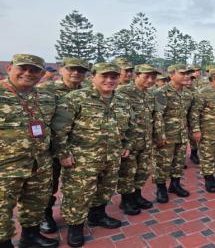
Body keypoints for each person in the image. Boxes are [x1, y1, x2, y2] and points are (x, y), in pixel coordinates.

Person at [51, 62, 135, 247]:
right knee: (78, 194)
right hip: (82, 159)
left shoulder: (121, 100)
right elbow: (59, 130)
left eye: (113, 77)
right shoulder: (76, 98)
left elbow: (130, 126)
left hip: (111, 157)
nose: (109, 80)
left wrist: (127, 144)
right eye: (104, 76)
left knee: (105, 188)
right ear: (93, 77)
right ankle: (75, 227)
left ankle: (98, 215)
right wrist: (63, 153)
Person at [0, 54, 59, 248]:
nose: (28, 73)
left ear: (42, 74)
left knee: (36, 203)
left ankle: (30, 237)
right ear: (10, 68)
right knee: (2, 210)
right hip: (6, 167)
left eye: (34, 70)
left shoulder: (47, 97)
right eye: (23, 68)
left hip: (40, 163)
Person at [37, 57, 90, 234]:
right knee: (48, 184)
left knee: (76, 184)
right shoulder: (45, 90)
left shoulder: (87, 91)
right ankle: (46, 215)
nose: (76, 73)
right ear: (61, 69)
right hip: (50, 147)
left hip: (76, 147)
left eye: (81, 70)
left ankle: (74, 214)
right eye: (71, 69)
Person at [117, 64, 160, 215]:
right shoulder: (123, 92)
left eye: (153, 77)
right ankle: (126, 200)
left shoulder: (150, 94)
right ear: (137, 76)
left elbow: (153, 117)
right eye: (146, 76)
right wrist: (123, 142)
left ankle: (137, 195)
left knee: (142, 170)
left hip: (146, 140)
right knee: (128, 172)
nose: (150, 80)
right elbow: (118, 118)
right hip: (130, 141)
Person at [153, 64, 192, 203]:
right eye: (183, 73)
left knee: (179, 162)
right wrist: (159, 135)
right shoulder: (161, 92)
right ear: (171, 75)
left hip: (181, 134)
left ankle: (175, 185)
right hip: (167, 135)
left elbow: (188, 115)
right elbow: (158, 115)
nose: (187, 76)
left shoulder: (187, 93)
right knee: (163, 163)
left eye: (188, 73)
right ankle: (161, 188)